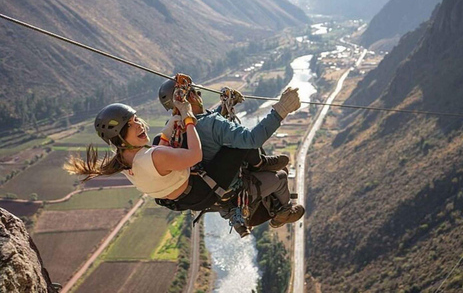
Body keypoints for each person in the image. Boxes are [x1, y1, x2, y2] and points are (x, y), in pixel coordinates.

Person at [158, 78, 305, 235]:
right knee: (281, 177)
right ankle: (284, 212)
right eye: (197, 92)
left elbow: (203, 126)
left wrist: (225, 106)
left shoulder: (175, 130)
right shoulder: (211, 124)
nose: (199, 95)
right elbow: (251, 138)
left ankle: (260, 169)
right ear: (191, 97)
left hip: (212, 191)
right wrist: (281, 110)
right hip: (234, 190)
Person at [64, 95, 226, 211]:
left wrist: (167, 131)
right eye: (130, 125)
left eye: (136, 119)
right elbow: (195, 155)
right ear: (119, 138)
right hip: (201, 193)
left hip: (178, 200)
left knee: (157, 139)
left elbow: (155, 158)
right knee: (232, 148)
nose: (139, 125)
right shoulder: (155, 156)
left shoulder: (122, 160)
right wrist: (188, 119)